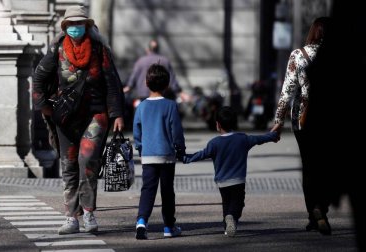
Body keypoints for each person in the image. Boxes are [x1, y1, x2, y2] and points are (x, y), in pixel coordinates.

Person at [32, 5, 125, 235]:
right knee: (69, 166)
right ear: (65, 27)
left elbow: (112, 83)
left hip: (96, 115)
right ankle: (71, 217)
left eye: (79, 24)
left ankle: (89, 212)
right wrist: (44, 106)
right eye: (71, 24)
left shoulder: (99, 50)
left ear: (88, 26)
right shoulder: (57, 50)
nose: (75, 28)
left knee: (88, 162)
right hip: (65, 118)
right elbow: (39, 78)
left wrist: (117, 114)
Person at [270, 17, 332, 235]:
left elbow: (287, 91)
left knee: (309, 165)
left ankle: (314, 212)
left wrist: (278, 121)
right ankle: (321, 208)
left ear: (313, 32)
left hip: (303, 119)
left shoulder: (299, 55)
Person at [182, 106, 278, 236]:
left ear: (218, 125)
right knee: (238, 203)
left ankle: (227, 227)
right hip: (238, 180)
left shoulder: (214, 143)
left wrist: (186, 158)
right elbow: (260, 139)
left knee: (226, 203)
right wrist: (273, 136)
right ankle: (231, 218)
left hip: (222, 182)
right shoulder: (243, 138)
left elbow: (201, 154)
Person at [133, 63, 186, 240]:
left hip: (148, 155)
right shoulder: (170, 106)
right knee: (167, 191)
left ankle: (141, 221)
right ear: (167, 84)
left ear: (146, 83)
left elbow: (137, 131)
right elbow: (176, 131)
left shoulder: (141, 106)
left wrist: (140, 148)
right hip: (166, 155)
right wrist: (181, 149)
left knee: (147, 189)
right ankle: (169, 226)